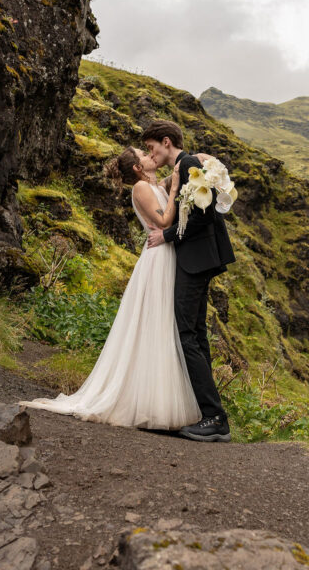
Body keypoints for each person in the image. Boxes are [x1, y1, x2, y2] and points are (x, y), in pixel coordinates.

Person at [21, 146, 202, 429]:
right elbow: (165, 220)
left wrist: (194, 165)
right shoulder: (141, 188)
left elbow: (174, 177)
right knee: (155, 322)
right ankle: (148, 402)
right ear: (137, 168)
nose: (149, 155)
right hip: (157, 258)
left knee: (165, 323)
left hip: (167, 255)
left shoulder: (153, 183)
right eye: (144, 154)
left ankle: (157, 396)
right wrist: (176, 185)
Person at [143, 119, 236, 443]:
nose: (150, 154)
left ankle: (214, 417)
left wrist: (166, 236)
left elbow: (203, 215)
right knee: (196, 334)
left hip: (196, 259)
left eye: (152, 148)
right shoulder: (184, 165)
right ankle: (208, 413)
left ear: (166, 142)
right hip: (199, 258)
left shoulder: (189, 163)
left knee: (187, 335)